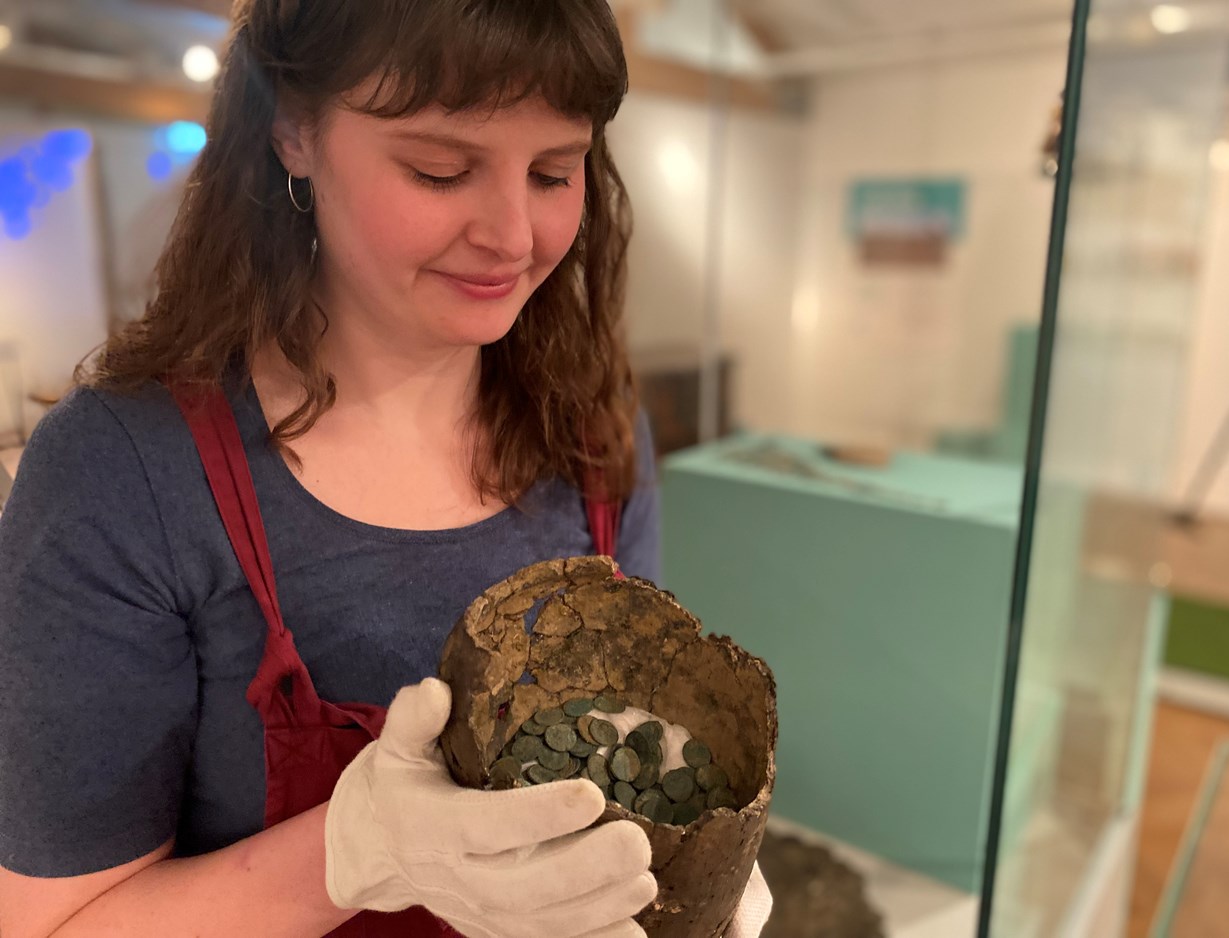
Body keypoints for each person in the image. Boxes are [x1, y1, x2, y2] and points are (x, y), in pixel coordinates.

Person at [0, 2, 771, 937]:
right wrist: (351, 857)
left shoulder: (594, 434)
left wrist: (693, 876)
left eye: (553, 172)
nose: (513, 236)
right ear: (293, 131)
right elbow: (51, 926)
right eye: (439, 169)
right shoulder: (122, 473)